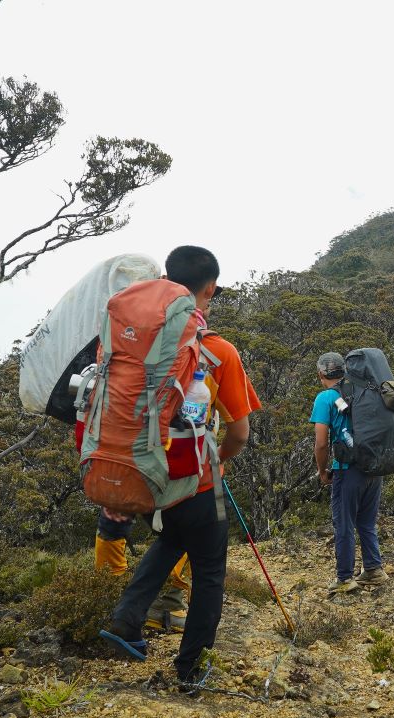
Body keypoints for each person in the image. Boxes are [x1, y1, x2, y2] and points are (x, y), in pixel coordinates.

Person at [101, 245, 261, 682]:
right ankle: (191, 668)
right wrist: (220, 461)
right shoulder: (218, 351)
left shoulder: (132, 345)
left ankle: (126, 622)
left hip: (144, 473)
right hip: (197, 478)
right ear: (208, 288)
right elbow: (240, 432)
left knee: (170, 541)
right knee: (210, 570)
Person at [310, 351, 388, 595]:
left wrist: (323, 471)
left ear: (321, 374)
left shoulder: (325, 398)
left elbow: (321, 443)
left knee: (343, 523)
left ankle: (345, 578)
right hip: (374, 467)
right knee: (366, 521)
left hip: (347, 469)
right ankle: (374, 569)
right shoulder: (364, 390)